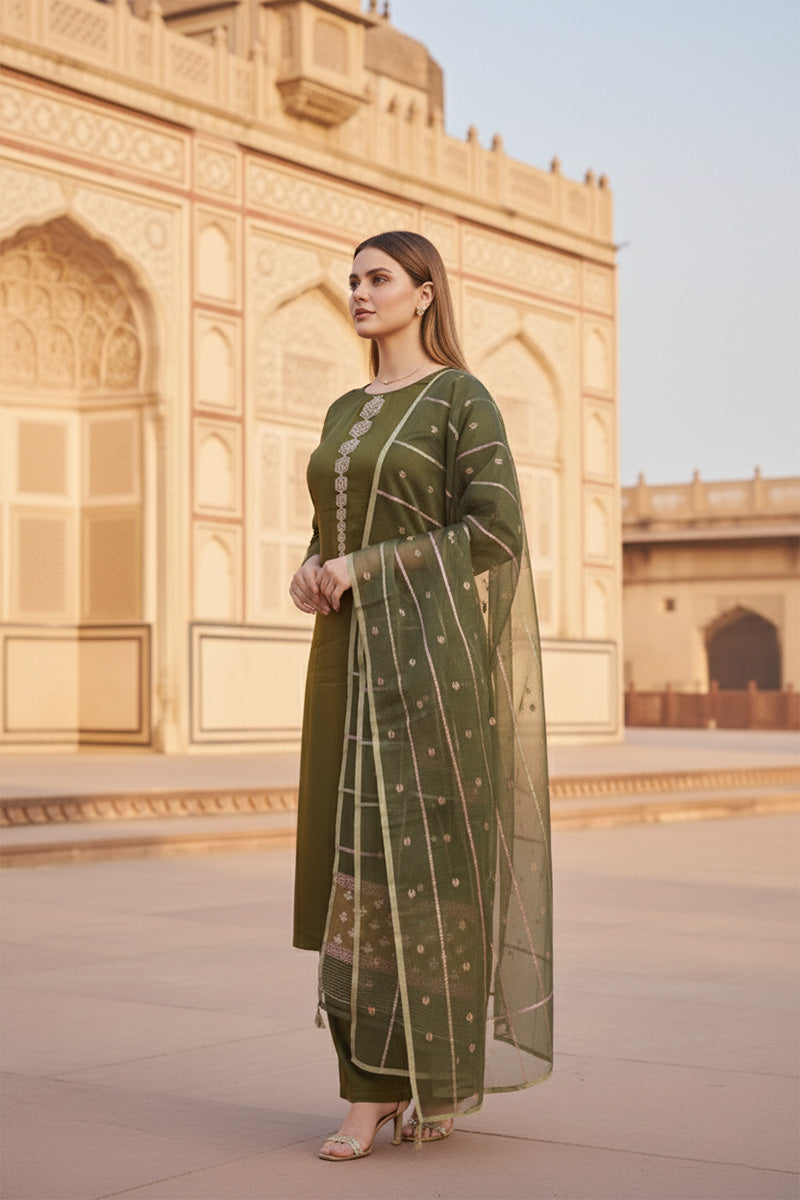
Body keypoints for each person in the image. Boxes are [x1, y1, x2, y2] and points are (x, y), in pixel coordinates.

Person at [289, 230, 552, 1162]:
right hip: (348, 664)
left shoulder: (460, 399)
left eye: (377, 278)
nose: (357, 292)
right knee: (352, 872)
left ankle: (412, 1085)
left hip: (433, 679)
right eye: (352, 278)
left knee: (426, 873)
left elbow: (496, 531)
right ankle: (368, 1085)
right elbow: (332, 523)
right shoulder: (342, 409)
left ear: (424, 294)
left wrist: (367, 564)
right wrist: (314, 564)